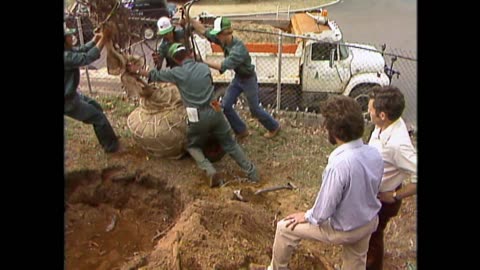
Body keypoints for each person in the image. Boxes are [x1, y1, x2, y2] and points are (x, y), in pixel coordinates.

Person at [250, 95, 384, 270]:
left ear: (334, 130)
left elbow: (323, 211)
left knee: (284, 228)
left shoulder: (340, 163)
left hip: (343, 229)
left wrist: (307, 216)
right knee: (356, 261)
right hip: (368, 222)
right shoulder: (374, 153)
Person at [127, 43, 259, 187]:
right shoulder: (203, 68)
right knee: (230, 143)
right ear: (190, 53)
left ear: (176, 60)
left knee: (193, 145)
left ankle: (210, 170)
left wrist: (137, 71)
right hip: (215, 109)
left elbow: (154, 75)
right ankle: (252, 172)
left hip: (197, 115)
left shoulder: (177, 73)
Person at [189, 16, 281, 139]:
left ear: (226, 33)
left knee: (254, 109)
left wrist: (203, 61)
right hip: (238, 78)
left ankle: (274, 127)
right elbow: (204, 31)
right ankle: (241, 131)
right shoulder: (223, 40)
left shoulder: (238, 49)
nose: (217, 37)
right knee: (226, 106)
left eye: (219, 34)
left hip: (248, 79)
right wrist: (189, 18)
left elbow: (222, 66)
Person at [366, 86, 417, 270]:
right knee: (368, 237)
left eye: (371, 109)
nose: (368, 111)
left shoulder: (397, 145)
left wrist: (395, 195)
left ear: (382, 115)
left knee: (373, 238)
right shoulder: (383, 126)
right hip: (371, 194)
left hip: (382, 200)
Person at [64, 26, 120, 153]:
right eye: (68, 36)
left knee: (96, 107)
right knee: (98, 117)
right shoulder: (65, 56)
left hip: (72, 95)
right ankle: (111, 147)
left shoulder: (68, 51)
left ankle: (107, 138)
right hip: (68, 101)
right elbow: (86, 58)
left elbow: (81, 50)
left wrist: (96, 39)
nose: (71, 37)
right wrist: (103, 39)